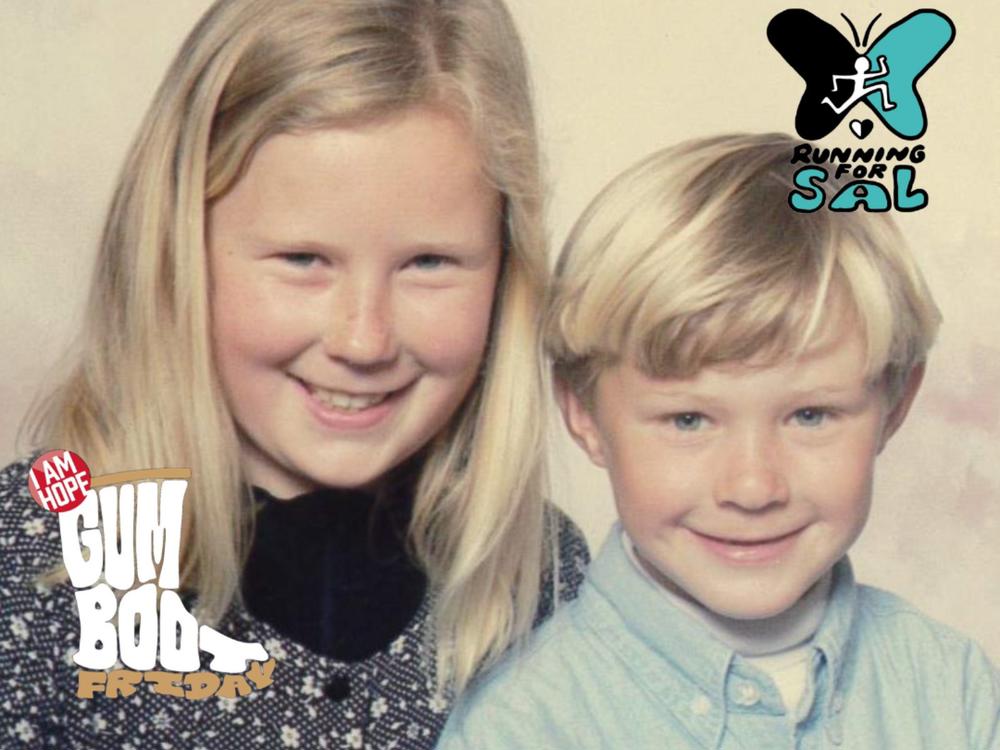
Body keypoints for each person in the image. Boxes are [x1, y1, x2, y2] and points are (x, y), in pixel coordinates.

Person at [0, 1, 588, 747]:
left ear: (507, 271)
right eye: (304, 259)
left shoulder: (547, 581)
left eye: (429, 263)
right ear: (176, 252)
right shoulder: (29, 566)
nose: (364, 340)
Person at [438, 133, 1000, 748]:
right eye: (689, 421)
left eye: (810, 416)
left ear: (895, 403)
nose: (753, 488)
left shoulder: (952, 688)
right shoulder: (522, 728)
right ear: (585, 414)